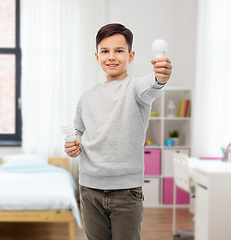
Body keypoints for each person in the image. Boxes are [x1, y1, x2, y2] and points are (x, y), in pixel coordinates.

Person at [64, 23, 172, 240]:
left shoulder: (136, 88)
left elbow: (153, 83)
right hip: (89, 189)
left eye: (119, 51)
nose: (111, 57)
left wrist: (161, 76)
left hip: (126, 192)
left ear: (130, 56)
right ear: (97, 56)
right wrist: (72, 145)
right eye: (105, 51)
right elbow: (78, 131)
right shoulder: (86, 97)